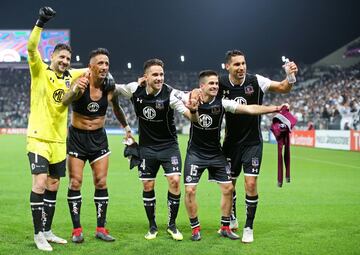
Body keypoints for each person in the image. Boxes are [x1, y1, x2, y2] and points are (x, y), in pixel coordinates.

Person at [184, 70, 288, 241]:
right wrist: (193, 100)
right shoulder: (189, 98)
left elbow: (249, 109)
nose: (215, 86)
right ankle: (195, 229)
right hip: (195, 153)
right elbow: (192, 117)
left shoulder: (223, 102)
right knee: (189, 190)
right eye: (211, 84)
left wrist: (275, 108)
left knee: (228, 188)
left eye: (217, 84)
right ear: (201, 86)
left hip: (216, 153)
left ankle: (226, 226)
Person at [217, 50, 298, 243]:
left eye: (243, 63)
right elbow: (203, 93)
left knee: (251, 184)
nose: (241, 67)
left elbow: (283, 88)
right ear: (228, 66)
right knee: (230, 186)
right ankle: (232, 217)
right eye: (236, 64)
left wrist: (290, 75)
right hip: (230, 143)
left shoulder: (256, 81)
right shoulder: (220, 83)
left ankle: (249, 227)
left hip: (252, 142)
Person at [113, 58, 197, 241]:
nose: (159, 78)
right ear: (145, 77)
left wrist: (193, 110)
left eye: (161, 74)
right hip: (147, 148)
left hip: (169, 147)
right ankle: (152, 226)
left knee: (175, 180)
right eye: (155, 75)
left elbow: (188, 113)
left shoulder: (170, 93)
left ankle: (172, 225)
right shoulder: (135, 89)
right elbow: (113, 87)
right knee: (147, 185)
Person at [27, 6, 87, 251]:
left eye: (68, 59)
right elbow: (31, 48)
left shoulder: (70, 75)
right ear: (52, 57)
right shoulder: (40, 70)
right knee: (40, 183)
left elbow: (94, 69)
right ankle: (38, 234)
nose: (64, 61)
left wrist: (103, 72)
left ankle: (48, 230)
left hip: (59, 141)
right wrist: (41, 22)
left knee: (53, 186)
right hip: (38, 138)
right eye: (61, 57)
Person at [62, 48, 132, 243]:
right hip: (77, 137)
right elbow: (64, 101)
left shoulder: (109, 88)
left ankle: (101, 228)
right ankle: (77, 230)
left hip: (99, 138)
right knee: (75, 182)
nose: (104, 67)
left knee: (101, 182)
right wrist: (75, 90)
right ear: (90, 66)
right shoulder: (80, 83)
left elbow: (117, 108)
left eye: (106, 64)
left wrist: (126, 127)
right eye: (100, 63)